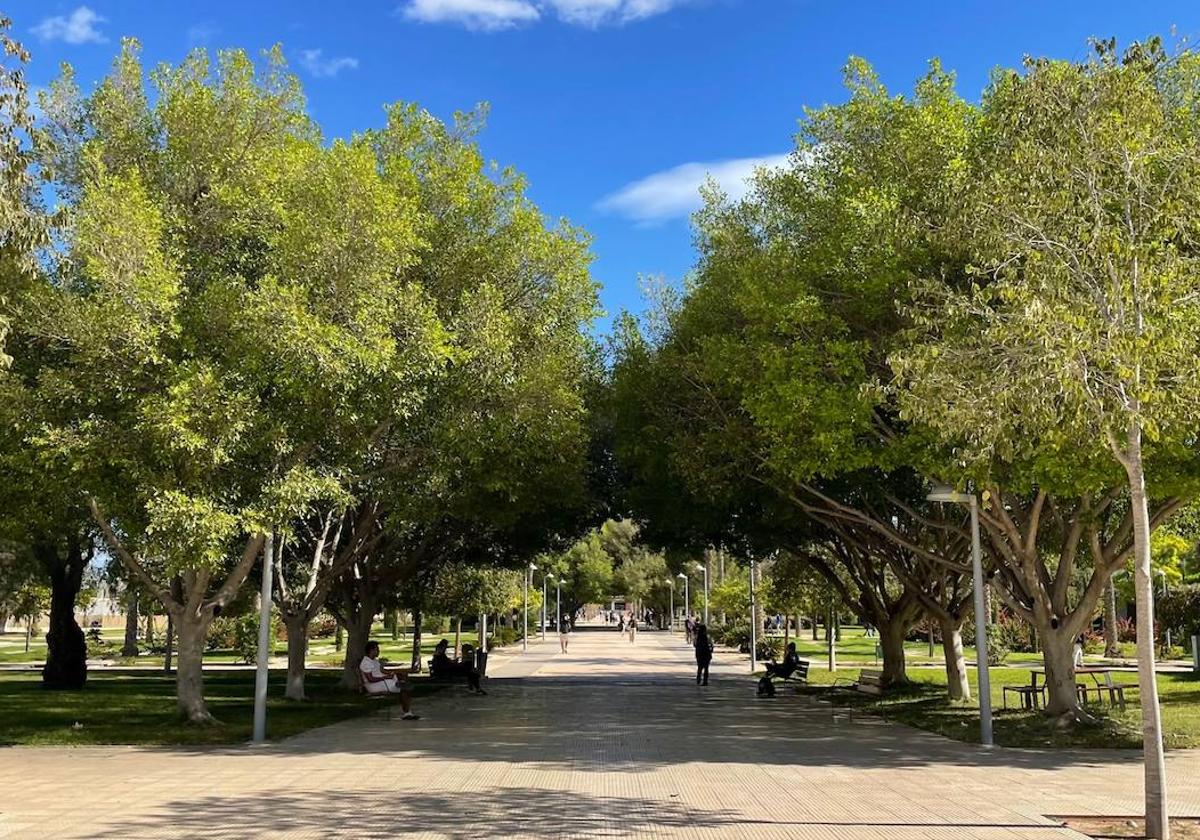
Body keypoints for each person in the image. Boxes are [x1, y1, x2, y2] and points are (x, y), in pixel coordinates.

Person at [359, 641, 420, 720]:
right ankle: (407, 712)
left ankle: (402, 686)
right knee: (404, 689)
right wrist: (385, 677)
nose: (378, 651)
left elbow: (382, 671)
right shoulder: (366, 663)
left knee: (402, 678)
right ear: (371, 650)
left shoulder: (374, 661)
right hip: (374, 685)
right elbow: (370, 679)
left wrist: (393, 673)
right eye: (377, 649)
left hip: (382, 681)